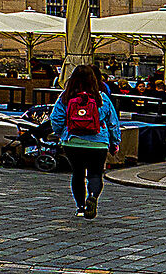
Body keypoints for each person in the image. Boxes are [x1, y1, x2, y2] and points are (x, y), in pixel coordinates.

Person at [48, 64, 121, 219]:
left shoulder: (65, 97)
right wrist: (115, 142)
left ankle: (80, 207)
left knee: (77, 174)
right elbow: (113, 122)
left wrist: (61, 133)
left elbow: (55, 119)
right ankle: (93, 196)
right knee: (95, 174)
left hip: (72, 142)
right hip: (98, 142)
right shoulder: (102, 97)